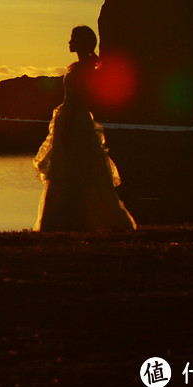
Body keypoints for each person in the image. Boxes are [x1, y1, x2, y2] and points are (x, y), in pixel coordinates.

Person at [33, 26, 137, 232]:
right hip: (76, 121)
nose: (69, 42)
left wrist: (66, 128)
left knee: (72, 171)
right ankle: (70, 220)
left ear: (81, 43)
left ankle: (65, 221)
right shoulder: (82, 68)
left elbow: (78, 100)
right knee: (74, 172)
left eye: (73, 39)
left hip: (75, 122)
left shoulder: (83, 70)